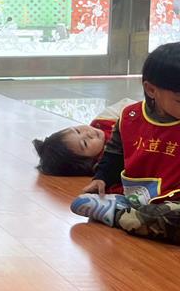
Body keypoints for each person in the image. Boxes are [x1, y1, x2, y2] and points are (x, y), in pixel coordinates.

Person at [70, 43, 180, 243]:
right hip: (147, 201)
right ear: (151, 90)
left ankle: (121, 213)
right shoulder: (131, 118)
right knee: (169, 218)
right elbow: (114, 154)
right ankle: (121, 212)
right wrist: (101, 178)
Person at [32, 99, 128, 178]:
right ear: (89, 162)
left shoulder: (101, 122)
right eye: (85, 143)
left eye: (77, 130)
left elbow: (125, 106)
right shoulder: (107, 163)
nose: (88, 133)